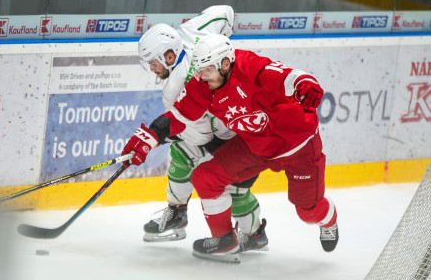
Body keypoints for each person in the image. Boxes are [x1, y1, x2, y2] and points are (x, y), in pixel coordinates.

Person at [122, 34, 338, 263]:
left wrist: (304, 83)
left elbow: (287, 76)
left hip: (298, 146)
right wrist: (151, 135)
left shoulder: (249, 65)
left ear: (225, 64)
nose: (201, 77)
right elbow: (179, 115)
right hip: (255, 147)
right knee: (206, 177)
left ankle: (329, 221)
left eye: (207, 71)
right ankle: (224, 240)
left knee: (308, 212)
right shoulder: (203, 83)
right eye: (199, 70)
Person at [136, 5, 268, 253]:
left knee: (232, 189)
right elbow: (226, 12)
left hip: (244, 135)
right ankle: (177, 212)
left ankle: (255, 233)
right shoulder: (190, 30)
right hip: (237, 118)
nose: (152, 70)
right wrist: (221, 44)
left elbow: (203, 137)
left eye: (153, 63)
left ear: (169, 56)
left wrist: (165, 133)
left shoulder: (173, 90)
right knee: (181, 152)